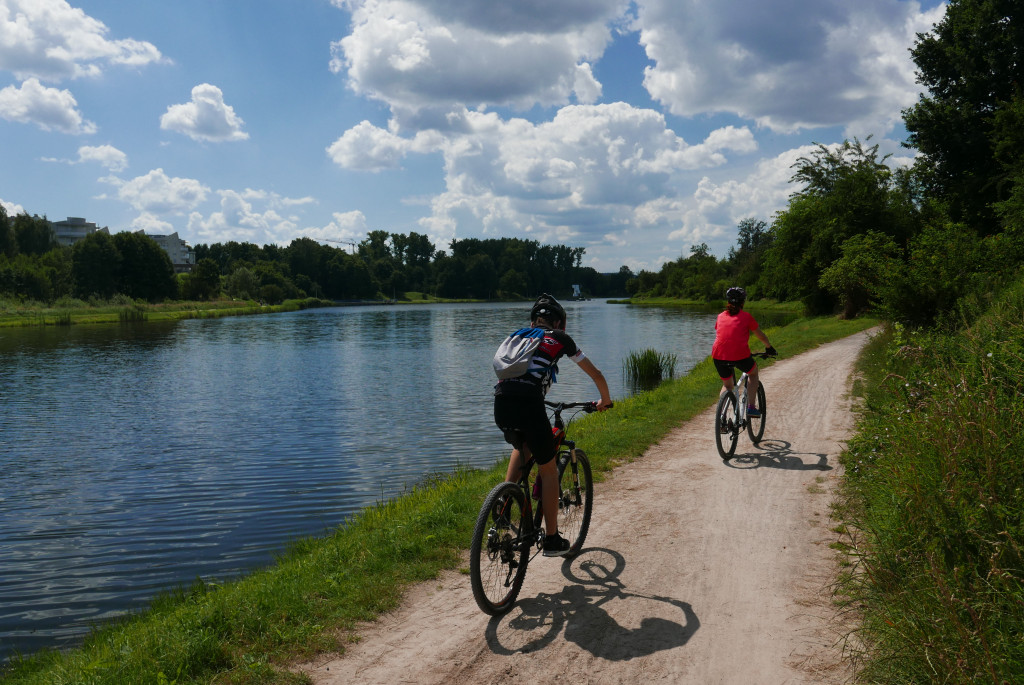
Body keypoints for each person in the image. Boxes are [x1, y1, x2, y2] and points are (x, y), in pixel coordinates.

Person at [493, 293, 613, 556]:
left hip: (501, 404)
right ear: (560, 323)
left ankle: (503, 504)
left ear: (534, 319)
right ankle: (550, 540)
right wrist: (604, 400)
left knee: (523, 444)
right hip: (529, 403)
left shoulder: (518, 335)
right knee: (548, 470)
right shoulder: (559, 338)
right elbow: (596, 373)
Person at [712, 287, 777, 417]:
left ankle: (721, 418)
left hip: (719, 356)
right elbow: (761, 336)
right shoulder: (746, 317)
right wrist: (769, 347)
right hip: (740, 356)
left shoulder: (720, 316)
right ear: (743, 302)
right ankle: (751, 407)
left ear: (728, 302)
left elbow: (724, 335)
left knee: (727, 386)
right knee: (753, 373)